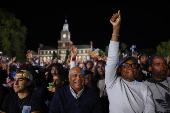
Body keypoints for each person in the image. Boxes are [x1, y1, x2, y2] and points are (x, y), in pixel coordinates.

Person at [105, 10, 155, 112]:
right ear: (119, 69)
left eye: (134, 65)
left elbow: (150, 110)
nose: (130, 68)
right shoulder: (112, 83)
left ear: (137, 69)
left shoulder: (144, 87)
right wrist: (116, 29)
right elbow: (112, 60)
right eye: (126, 65)